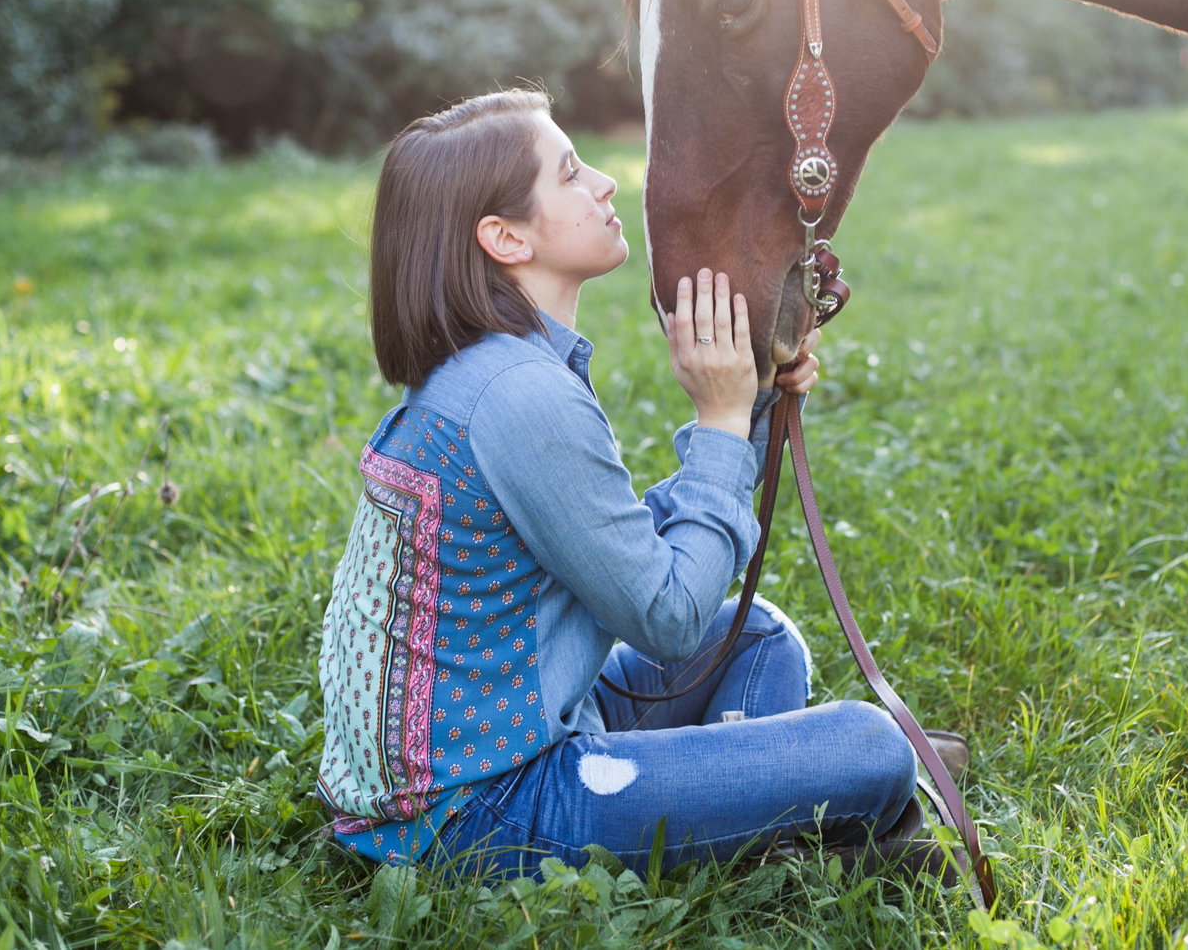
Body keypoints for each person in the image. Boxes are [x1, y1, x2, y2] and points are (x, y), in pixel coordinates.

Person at [316, 88, 944, 880]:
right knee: (872, 746)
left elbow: (616, 562)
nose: (606, 184)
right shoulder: (520, 396)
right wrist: (717, 421)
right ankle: (763, 814)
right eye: (572, 174)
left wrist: (748, 399)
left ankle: (738, 811)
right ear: (505, 237)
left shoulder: (493, 371)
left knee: (759, 638)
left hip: (535, 718)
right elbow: (669, 617)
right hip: (477, 813)